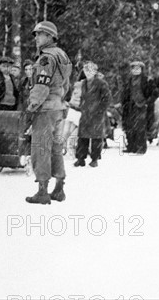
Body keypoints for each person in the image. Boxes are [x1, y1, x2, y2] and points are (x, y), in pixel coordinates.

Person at [25, 21, 72, 205]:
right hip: (58, 108)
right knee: (55, 149)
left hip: (44, 110)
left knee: (41, 148)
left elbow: (41, 86)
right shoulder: (62, 55)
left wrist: (32, 107)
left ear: (50, 36)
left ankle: (42, 191)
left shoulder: (45, 58)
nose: (36, 38)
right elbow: (65, 84)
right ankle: (59, 188)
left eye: (40, 34)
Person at [73, 61, 111, 168]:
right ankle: (80, 158)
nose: (88, 73)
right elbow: (82, 97)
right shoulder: (83, 83)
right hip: (85, 113)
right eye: (86, 70)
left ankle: (95, 159)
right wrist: (81, 106)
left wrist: (100, 110)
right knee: (82, 137)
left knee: (96, 137)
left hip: (97, 114)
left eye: (91, 70)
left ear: (95, 72)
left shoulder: (101, 83)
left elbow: (107, 98)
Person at [121, 61, 159, 154]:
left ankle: (141, 148)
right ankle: (131, 147)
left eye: (138, 69)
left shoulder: (147, 80)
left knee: (140, 127)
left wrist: (147, 102)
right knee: (129, 126)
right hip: (130, 107)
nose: (136, 70)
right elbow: (125, 93)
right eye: (134, 69)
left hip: (142, 107)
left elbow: (155, 93)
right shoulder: (129, 80)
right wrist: (124, 103)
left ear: (142, 70)